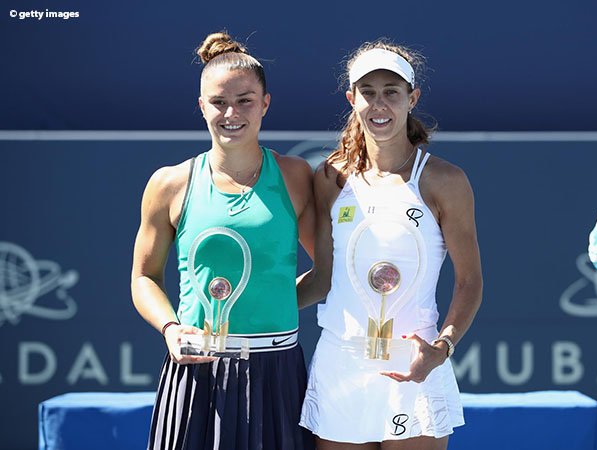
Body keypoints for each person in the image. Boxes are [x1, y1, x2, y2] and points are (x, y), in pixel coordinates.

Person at [131, 32, 315, 450]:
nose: (231, 113)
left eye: (245, 100)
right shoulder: (169, 183)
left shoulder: (296, 177)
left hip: (278, 371)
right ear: (201, 107)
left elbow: (326, 271)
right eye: (218, 102)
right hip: (195, 371)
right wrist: (171, 328)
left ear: (266, 103)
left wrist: (271, 301)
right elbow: (144, 277)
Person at [297, 39, 483, 449]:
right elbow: (325, 277)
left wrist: (441, 347)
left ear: (412, 98)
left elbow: (469, 281)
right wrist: (252, 310)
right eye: (368, 93)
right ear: (351, 99)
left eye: (391, 93)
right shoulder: (331, 177)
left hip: (413, 363)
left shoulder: (445, 181)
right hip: (340, 364)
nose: (379, 105)